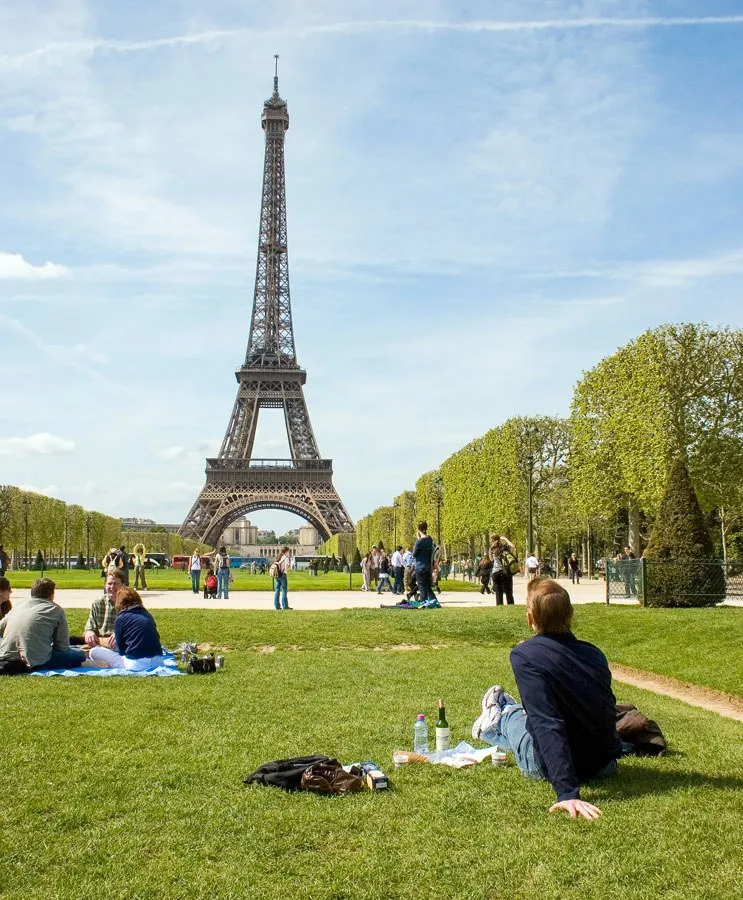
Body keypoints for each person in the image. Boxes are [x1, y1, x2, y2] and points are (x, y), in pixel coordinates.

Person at [473, 578, 620, 821]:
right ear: (570, 614)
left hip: (545, 766)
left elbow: (546, 721)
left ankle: (500, 714)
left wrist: (567, 792)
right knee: (529, 714)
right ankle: (506, 710)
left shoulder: (524, 656)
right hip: (603, 764)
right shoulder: (594, 653)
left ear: (530, 618)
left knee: (516, 718)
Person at [0, 577, 86, 671]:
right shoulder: (55, 609)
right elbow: (62, 647)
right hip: (36, 661)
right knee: (79, 655)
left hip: (6, 656)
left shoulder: (18, 607)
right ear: (51, 595)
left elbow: (1, 628)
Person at [89, 587, 163, 671]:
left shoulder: (121, 618)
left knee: (94, 652)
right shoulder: (147, 615)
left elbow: (121, 650)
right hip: (158, 661)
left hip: (136, 664)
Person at [84, 569, 125, 647]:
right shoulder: (98, 602)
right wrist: (89, 632)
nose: (112, 587)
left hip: (120, 643)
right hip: (100, 643)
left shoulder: (129, 603)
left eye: (116, 584)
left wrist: (120, 633)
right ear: (105, 585)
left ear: (123, 585)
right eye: (109, 584)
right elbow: (90, 626)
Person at [412, 521, 435, 603]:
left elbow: (414, 554)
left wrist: (418, 539)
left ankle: (423, 602)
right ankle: (433, 600)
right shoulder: (430, 539)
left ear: (418, 530)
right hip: (428, 565)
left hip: (420, 566)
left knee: (422, 586)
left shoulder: (419, 542)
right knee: (427, 586)